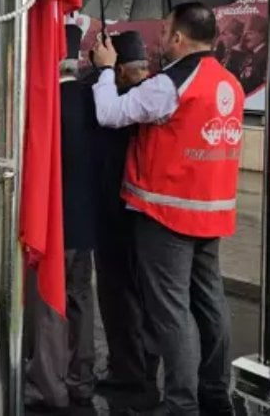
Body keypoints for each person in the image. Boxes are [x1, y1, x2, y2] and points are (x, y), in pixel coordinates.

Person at [91, 2, 243, 416]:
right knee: (211, 305)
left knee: (171, 311)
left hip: (165, 214)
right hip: (211, 210)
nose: (159, 39)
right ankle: (215, 392)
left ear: (178, 38)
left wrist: (106, 68)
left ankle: (181, 403)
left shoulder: (171, 85)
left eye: (163, 31)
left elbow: (110, 113)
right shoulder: (227, 81)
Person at [25, 26, 100, 410]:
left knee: (50, 304)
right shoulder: (94, 98)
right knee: (82, 300)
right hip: (87, 220)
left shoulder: (46, 104)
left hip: (54, 222)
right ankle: (82, 379)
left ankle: (50, 386)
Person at [91, 30, 161, 407]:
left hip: (120, 214)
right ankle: (142, 365)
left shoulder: (122, 104)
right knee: (139, 295)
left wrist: (101, 73)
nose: (145, 73)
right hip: (140, 213)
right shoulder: (150, 97)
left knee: (120, 297)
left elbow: (105, 118)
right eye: (141, 67)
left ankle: (129, 372)